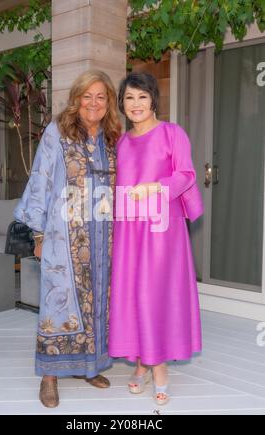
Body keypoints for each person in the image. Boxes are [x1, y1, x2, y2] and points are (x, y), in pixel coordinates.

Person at [14, 70, 121, 408]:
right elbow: (41, 179)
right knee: (57, 301)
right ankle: (49, 377)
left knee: (99, 303)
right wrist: (39, 233)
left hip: (105, 237)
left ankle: (88, 367)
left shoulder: (113, 136)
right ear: (76, 98)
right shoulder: (57, 132)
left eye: (100, 96)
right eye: (87, 96)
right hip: (63, 236)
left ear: (109, 103)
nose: (93, 102)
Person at [109, 72, 203, 406]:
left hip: (162, 229)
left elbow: (187, 175)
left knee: (154, 294)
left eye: (142, 97)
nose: (135, 104)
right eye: (129, 97)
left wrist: (155, 187)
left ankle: (158, 367)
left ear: (153, 100)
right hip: (129, 230)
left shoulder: (171, 133)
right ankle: (140, 362)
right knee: (133, 293)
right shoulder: (121, 140)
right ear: (122, 103)